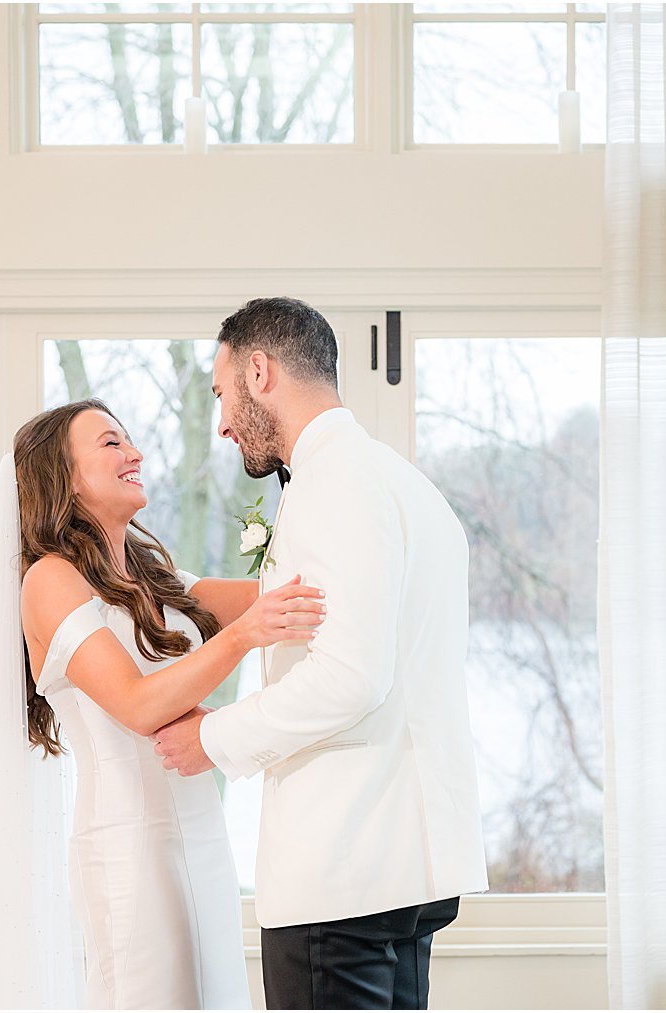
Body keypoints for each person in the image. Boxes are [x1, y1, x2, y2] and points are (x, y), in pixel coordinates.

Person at [152, 297, 489, 1010]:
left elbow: (349, 677)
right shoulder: (405, 484)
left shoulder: (332, 485)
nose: (220, 421)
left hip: (345, 865)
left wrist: (212, 735)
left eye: (221, 393)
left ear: (259, 369)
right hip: (405, 863)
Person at [0, 397, 327, 1010]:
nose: (135, 453)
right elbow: (138, 706)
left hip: (201, 834)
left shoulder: (153, 572)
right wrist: (247, 637)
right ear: (61, 476)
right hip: (128, 844)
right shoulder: (50, 579)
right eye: (111, 444)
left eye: (130, 440)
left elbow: (269, 596)